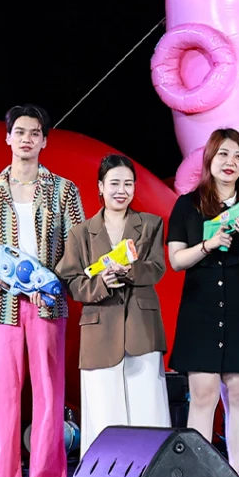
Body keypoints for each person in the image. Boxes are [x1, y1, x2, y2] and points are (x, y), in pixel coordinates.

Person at [0, 105, 85, 477]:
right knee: (1, 390)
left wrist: (50, 283)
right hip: (1, 302)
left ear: (44, 140)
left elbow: (77, 247)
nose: (26, 139)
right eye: (20, 132)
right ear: (7, 137)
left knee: (49, 391)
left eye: (35, 133)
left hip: (47, 303)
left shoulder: (64, 189)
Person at [168, 127, 239, 477]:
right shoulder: (188, 205)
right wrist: (209, 244)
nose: (231, 162)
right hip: (200, 308)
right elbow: (176, 260)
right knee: (203, 396)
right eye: (224, 154)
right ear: (210, 159)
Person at [56, 154, 171, 455]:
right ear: (100, 186)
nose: (122, 190)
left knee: (147, 408)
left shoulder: (151, 224)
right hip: (99, 329)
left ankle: (149, 472)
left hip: (141, 328)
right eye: (115, 183)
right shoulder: (81, 233)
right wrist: (101, 283)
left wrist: (129, 270)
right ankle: (105, 475)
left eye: (128, 184)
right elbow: (70, 281)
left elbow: (157, 268)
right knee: (104, 410)